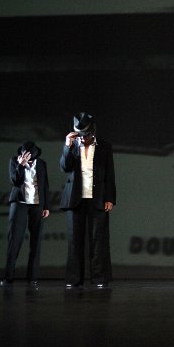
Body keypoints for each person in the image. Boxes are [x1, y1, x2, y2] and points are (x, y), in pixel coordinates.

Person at [60, 112, 116, 289]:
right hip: (75, 199)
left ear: (93, 132)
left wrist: (110, 198)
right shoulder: (72, 146)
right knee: (74, 241)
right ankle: (74, 279)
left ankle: (100, 278)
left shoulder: (104, 147)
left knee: (98, 241)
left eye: (86, 135)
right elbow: (64, 167)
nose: (83, 138)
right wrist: (67, 147)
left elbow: (110, 174)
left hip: (97, 198)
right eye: (80, 135)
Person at [0, 141, 50, 288]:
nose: (28, 159)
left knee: (36, 241)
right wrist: (21, 165)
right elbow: (15, 181)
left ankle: (32, 278)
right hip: (19, 203)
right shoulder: (14, 161)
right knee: (14, 240)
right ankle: (8, 277)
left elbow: (45, 185)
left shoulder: (41, 164)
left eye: (30, 157)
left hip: (37, 205)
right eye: (25, 156)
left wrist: (46, 206)